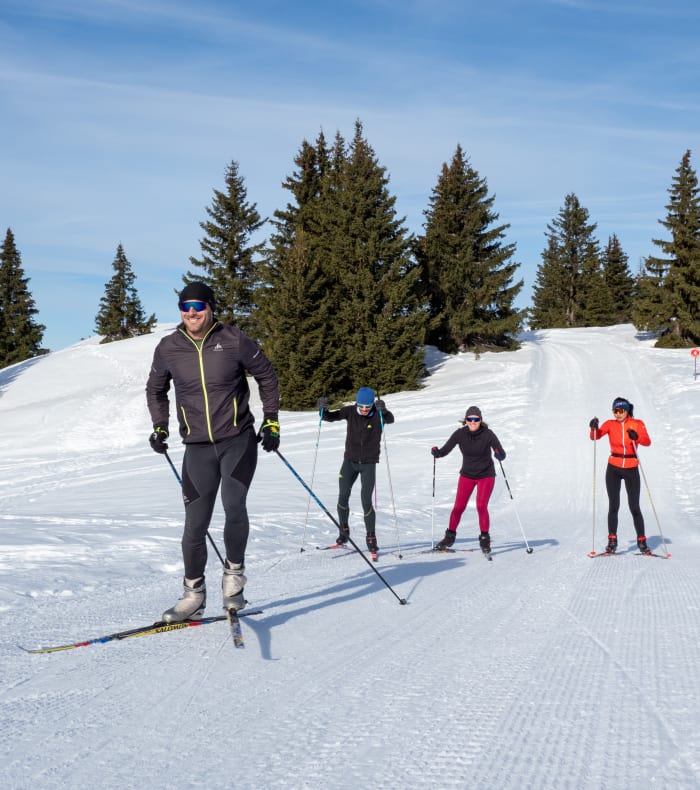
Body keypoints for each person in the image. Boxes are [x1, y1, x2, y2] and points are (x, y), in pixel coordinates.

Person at [146, 282, 280, 622]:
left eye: (198, 306)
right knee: (194, 526)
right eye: (185, 306)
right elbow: (155, 390)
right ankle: (193, 595)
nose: (191, 312)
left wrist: (272, 421)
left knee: (234, 507)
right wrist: (160, 426)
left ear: (210, 307)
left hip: (237, 440)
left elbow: (266, 374)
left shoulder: (234, 340)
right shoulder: (168, 347)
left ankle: (234, 579)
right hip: (196, 447)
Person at [316, 387, 394, 557]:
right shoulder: (350, 411)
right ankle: (344, 530)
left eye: (368, 406)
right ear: (356, 404)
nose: (364, 410)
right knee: (342, 495)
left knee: (366, 500)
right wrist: (322, 408)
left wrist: (384, 410)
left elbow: (391, 419)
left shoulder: (378, 414)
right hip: (349, 462)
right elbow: (329, 417)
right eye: (361, 406)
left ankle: (371, 537)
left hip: (368, 464)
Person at [431, 405, 505, 554]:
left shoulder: (488, 434)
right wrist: (437, 453)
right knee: (458, 507)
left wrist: (500, 455)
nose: (472, 422)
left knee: (481, 506)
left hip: (486, 475)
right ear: (465, 420)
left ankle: (485, 540)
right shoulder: (460, 434)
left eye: (475, 419)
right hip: (467, 475)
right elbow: (446, 449)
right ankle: (449, 538)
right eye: (469, 419)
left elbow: (500, 451)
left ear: (480, 420)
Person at [589, 396, 651, 554]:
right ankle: (612, 542)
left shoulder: (637, 424)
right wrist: (593, 427)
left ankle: (642, 542)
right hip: (614, 467)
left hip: (631, 466)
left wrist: (636, 437)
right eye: (615, 410)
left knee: (634, 506)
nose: (617, 414)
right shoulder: (610, 424)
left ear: (627, 410)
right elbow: (595, 436)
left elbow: (646, 441)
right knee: (613, 506)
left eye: (620, 410)